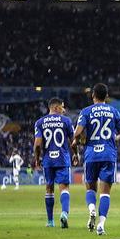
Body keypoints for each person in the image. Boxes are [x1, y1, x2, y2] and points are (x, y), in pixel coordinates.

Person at [73, 83, 120, 235]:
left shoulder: (86, 111)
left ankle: (91, 209)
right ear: (107, 96)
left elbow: (77, 134)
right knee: (105, 193)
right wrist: (112, 138)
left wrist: (78, 146)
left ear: (93, 96)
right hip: (108, 155)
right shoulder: (114, 111)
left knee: (90, 188)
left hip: (91, 154)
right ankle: (101, 225)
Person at [34, 97, 77, 228]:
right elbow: (73, 141)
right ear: (56, 107)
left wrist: (37, 158)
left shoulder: (40, 122)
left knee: (49, 189)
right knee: (64, 188)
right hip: (62, 159)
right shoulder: (66, 121)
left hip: (48, 160)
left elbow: (37, 144)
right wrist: (76, 153)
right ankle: (64, 213)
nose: (64, 109)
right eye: (62, 107)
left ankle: (50, 221)